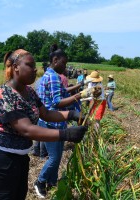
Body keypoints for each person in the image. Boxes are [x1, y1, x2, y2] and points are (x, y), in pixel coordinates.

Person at [0, 49, 89, 200]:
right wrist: (66, 134)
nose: (35, 69)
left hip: (20, 157)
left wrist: (71, 114)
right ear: (16, 67)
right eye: (30, 65)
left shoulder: (29, 91)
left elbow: (46, 114)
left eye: (35, 65)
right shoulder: (4, 95)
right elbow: (27, 130)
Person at [34, 44, 93, 198]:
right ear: (55, 60)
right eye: (64, 63)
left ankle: (52, 182)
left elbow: (61, 92)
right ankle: (40, 182)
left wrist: (79, 89)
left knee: (57, 156)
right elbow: (57, 102)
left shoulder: (48, 75)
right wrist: (79, 96)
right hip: (51, 122)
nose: (65, 66)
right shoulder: (53, 76)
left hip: (53, 120)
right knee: (54, 158)